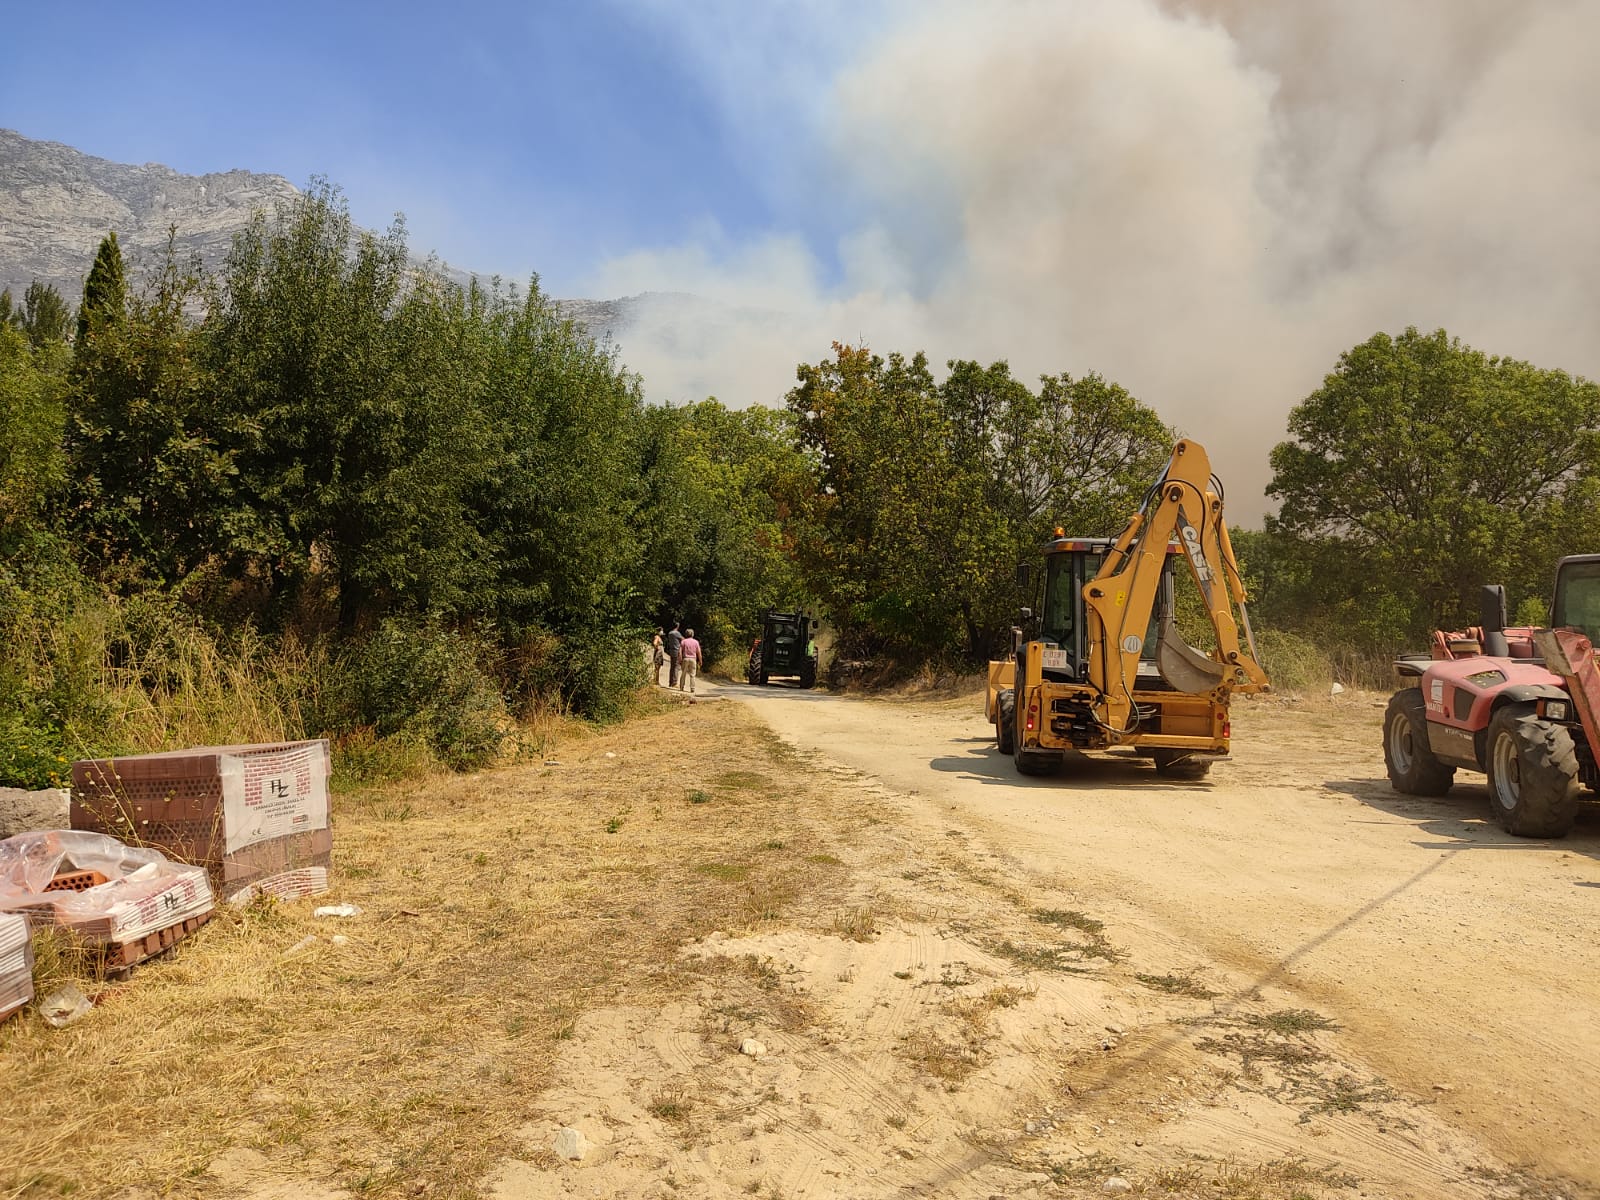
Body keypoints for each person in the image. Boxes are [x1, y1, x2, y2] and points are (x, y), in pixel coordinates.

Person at [679, 627, 702, 694]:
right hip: (693, 659)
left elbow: (680, 651)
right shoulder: (696, 642)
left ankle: (681, 687)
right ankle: (692, 688)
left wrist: (680, 659)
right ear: (692, 634)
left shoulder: (683, 641)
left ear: (686, 634)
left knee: (683, 674)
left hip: (685, 658)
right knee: (692, 675)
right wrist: (700, 660)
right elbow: (699, 652)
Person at [664, 622, 684, 688]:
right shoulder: (677, 633)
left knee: (672, 667)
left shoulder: (670, 633)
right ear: (677, 626)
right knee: (676, 666)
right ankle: (674, 682)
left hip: (671, 651)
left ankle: (670, 682)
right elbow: (683, 639)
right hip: (676, 651)